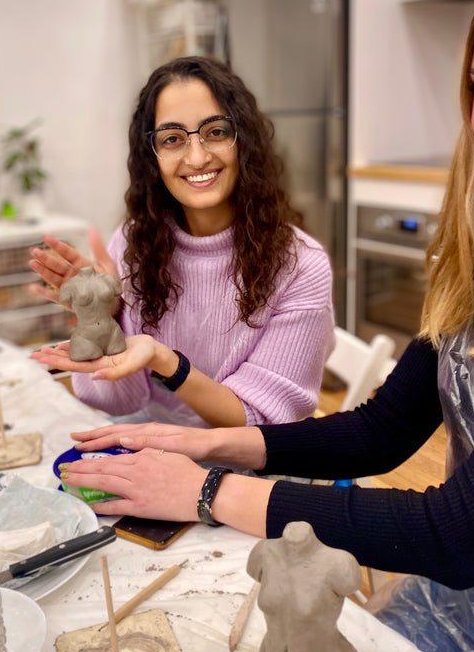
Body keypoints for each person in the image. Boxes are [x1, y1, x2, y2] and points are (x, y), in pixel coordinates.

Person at [56, 0, 474, 652]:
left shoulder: (299, 262)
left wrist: (205, 488)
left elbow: (457, 530)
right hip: (467, 597)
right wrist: (200, 440)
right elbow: (379, 432)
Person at [30, 56, 335, 428]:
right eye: (172, 139)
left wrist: (165, 361)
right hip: (154, 443)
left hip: (251, 467)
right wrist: (104, 318)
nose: (197, 156)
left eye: (216, 132)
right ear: (152, 157)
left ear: (245, 142)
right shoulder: (133, 244)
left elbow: (259, 423)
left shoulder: (301, 264)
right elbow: (114, 401)